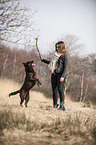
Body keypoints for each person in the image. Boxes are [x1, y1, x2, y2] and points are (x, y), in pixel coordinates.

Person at [40, 41, 68, 110]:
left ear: (62, 47)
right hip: (54, 74)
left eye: (58, 47)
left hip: (60, 75)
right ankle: (55, 105)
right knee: (54, 90)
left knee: (60, 89)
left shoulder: (64, 56)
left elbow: (66, 67)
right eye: (56, 47)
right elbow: (52, 63)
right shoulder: (55, 55)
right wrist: (43, 60)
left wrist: (63, 76)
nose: (57, 48)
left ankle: (62, 106)